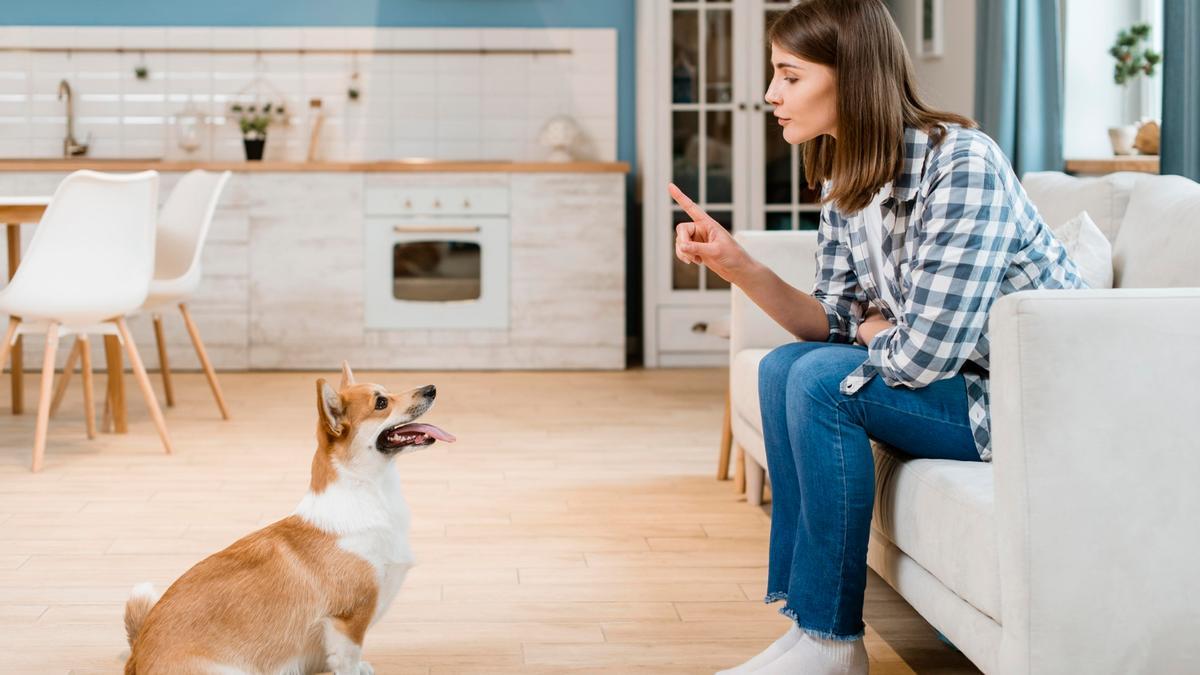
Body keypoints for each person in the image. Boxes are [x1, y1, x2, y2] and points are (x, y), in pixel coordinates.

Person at [669, 1, 1086, 673]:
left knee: (817, 381)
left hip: (1023, 405)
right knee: (784, 366)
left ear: (852, 76)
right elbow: (830, 319)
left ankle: (833, 643)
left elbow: (923, 357)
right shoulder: (847, 179)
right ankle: (810, 631)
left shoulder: (962, 165)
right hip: (963, 382)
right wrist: (735, 262)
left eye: (790, 75)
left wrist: (874, 329)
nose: (771, 94)